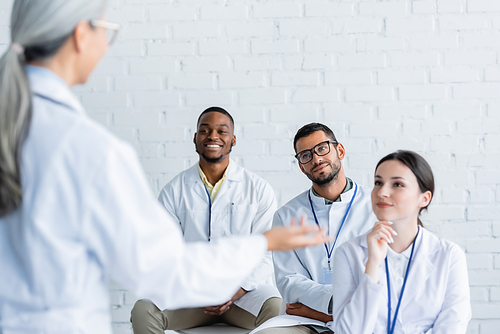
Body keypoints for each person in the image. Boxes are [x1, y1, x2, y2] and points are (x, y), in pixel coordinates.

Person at [0, 1, 329, 333]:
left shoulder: (24, 129)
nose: (105, 44)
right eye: (106, 30)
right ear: (81, 35)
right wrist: (266, 242)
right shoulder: (91, 150)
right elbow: (161, 269)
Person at [130, 107, 282, 333]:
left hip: (242, 296)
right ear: (195, 138)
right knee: (143, 311)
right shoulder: (174, 191)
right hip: (191, 296)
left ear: (233, 140)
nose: (213, 136)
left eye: (222, 131)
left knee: (276, 309)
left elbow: (268, 252)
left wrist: (236, 290)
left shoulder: (258, 189)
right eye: (205, 130)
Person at [331, 150, 471, 334]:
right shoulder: (348, 254)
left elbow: (452, 327)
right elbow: (347, 331)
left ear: (424, 198)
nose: (382, 192)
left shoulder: (449, 255)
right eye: (378, 183)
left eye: (397, 184)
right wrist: (372, 265)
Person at [255, 123, 376, 334]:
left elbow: (382, 279)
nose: (316, 159)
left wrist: (321, 311)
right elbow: (289, 281)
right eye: (306, 155)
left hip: (363, 318)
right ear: (301, 166)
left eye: (322, 148)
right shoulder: (286, 215)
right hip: (303, 321)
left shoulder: (376, 206)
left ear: (340, 150)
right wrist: (329, 302)